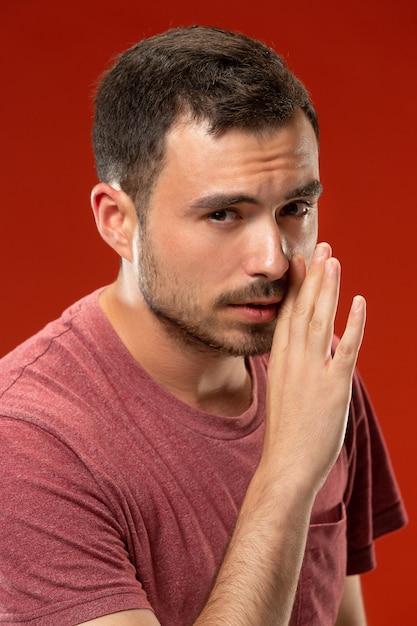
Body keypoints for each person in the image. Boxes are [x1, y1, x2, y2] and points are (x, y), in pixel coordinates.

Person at [0, 25, 407, 626]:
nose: (272, 259)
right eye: (223, 213)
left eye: (295, 209)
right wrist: (289, 474)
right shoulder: (28, 443)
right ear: (116, 220)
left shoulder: (309, 371)